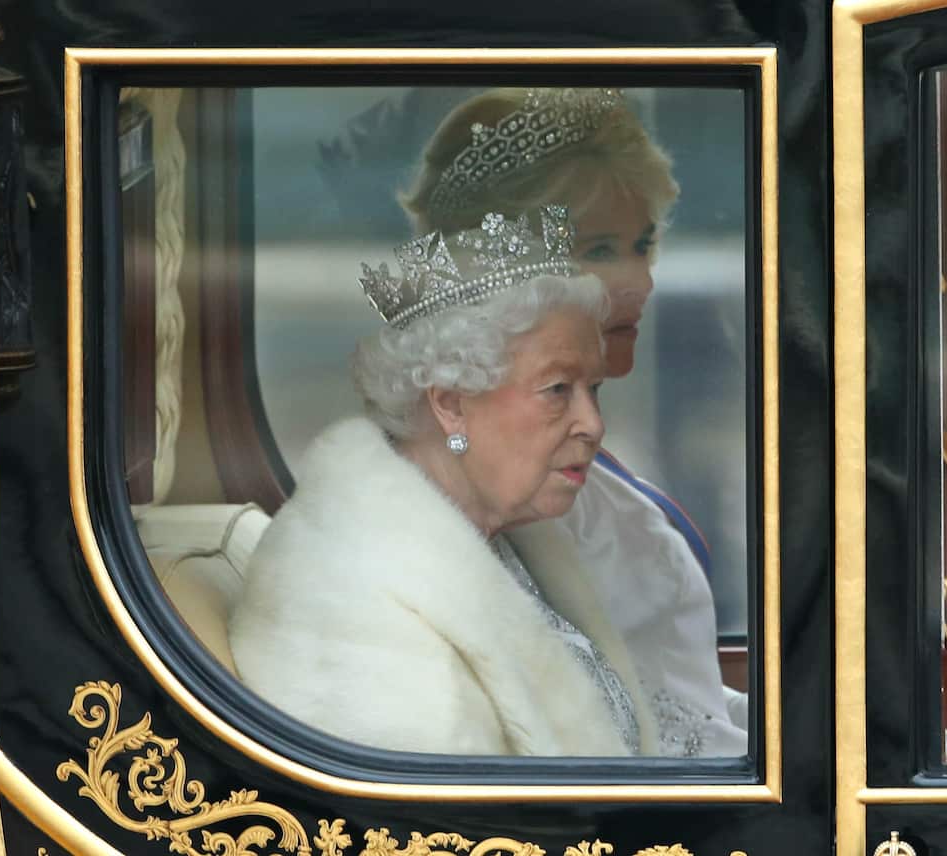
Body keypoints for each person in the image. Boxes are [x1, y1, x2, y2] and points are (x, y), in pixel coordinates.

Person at [230, 205, 659, 756]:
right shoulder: (355, 608)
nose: (593, 425)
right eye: (558, 390)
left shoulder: (507, 540)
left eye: (593, 390)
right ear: (452, 404)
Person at [401, 87, 749, 757]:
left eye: (643, 245)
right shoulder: (489, 492)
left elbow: (683, 700)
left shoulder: (569, 472)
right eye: (598, 251)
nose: (638, 282)